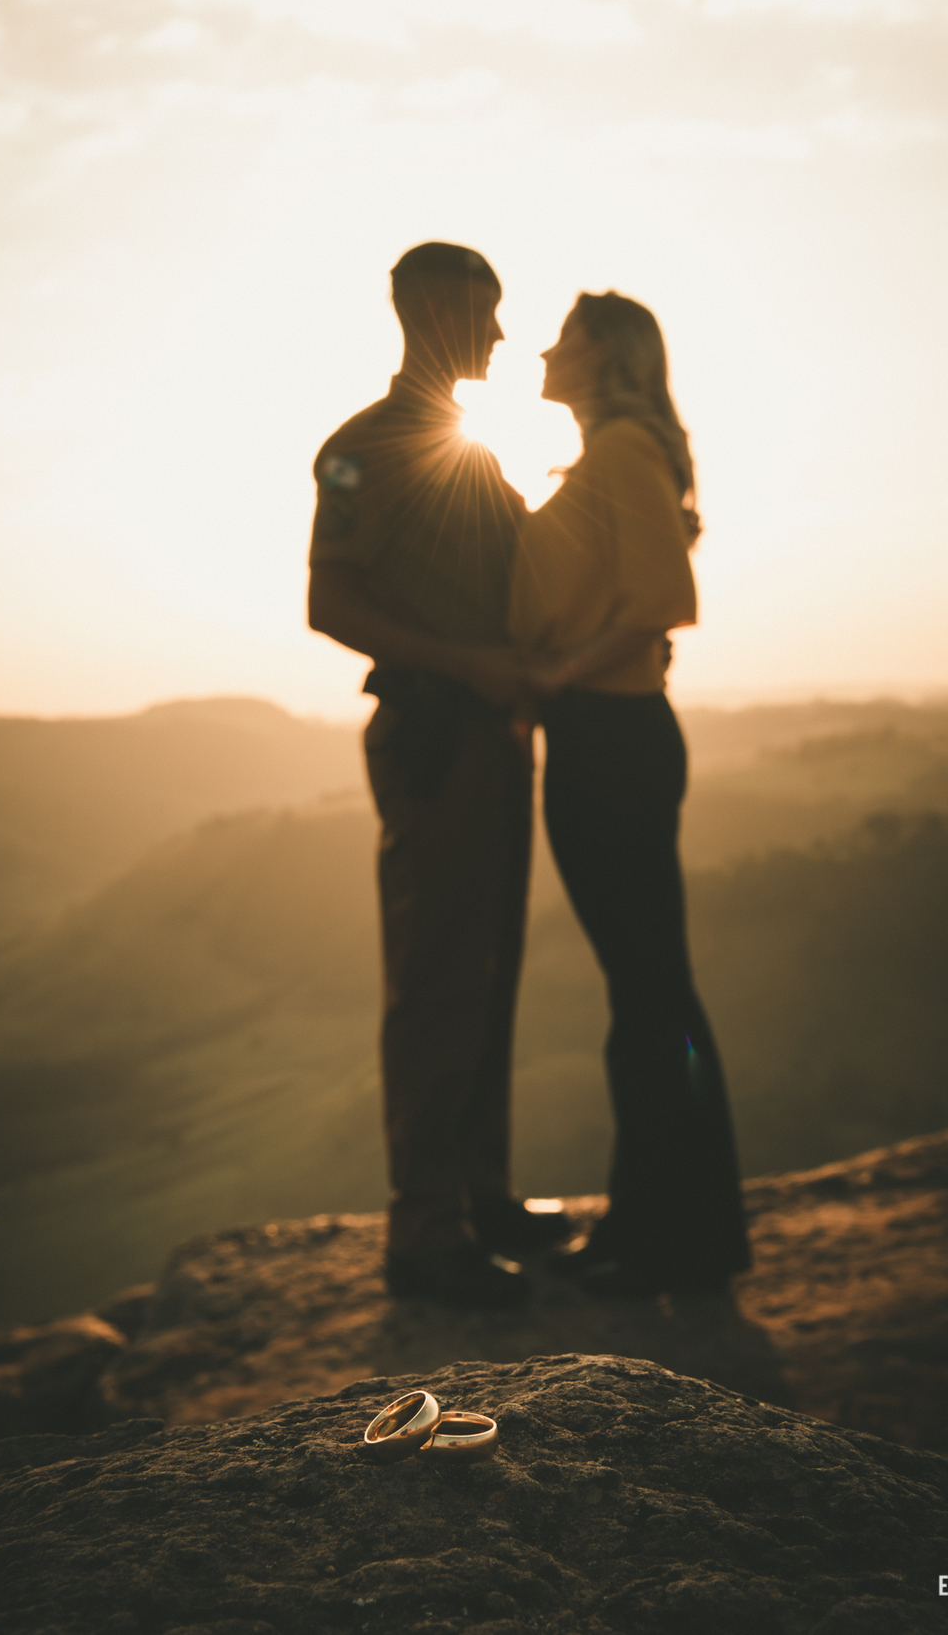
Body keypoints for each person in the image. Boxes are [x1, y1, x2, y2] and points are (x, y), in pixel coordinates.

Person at [307, 241, 571, 1311]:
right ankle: (424, 1233)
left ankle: (483, 1197)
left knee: (492, 963)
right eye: (487, 310)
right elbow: (330, 604)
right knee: (436, 978)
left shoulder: (477, 455)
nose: (503, 333)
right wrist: (470, 667)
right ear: (425, 310)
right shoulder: (357, 451)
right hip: (432, 740)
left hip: (495, 740)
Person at [509, 289, 751, 1299]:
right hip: (609, 737)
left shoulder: (618, 455)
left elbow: (663, 602)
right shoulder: (612, 456)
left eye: (563, 336)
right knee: (645, 992)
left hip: (608, 741)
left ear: (604, 355)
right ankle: (663, 1226)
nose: (543, 349)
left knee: (648, 992)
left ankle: (670, 1239)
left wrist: (554, 680)